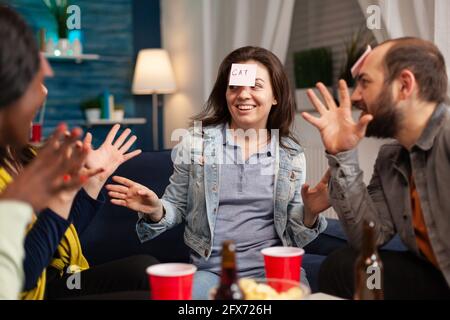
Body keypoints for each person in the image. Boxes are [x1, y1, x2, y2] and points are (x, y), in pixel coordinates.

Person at [106, 46, 328, 299]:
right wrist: (156, 208)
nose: (243, 95)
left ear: (276, 95)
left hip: (273, 272)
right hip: (211, 272)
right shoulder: (195, 143)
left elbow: (297, 235)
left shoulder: (291, 153)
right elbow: (175, 206)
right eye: (234, 87)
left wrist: (311, 212)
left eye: (255, 86)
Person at [0, 5, 158, 300]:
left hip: (53, 281)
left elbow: (59, 237)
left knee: (145, 271)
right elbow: (19, 278)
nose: (45, 89)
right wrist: (60, 197)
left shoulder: (25, 158)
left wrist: (91, 183)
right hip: (28, 287)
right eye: (32, 75)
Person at [301, 37, 450, 299]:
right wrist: (342, 154)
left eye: (365, 82)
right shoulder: (391, 157)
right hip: (435, 275)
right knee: (343, 267)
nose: (356, 96)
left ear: (404, 85)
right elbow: (368, 238)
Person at [0, 125, 93, 300]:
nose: (30, 123)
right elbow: (22, 278)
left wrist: (95, 180)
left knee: (140, 267)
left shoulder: (29, 157)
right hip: (32, 287)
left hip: (64, 275)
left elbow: (64, 232)